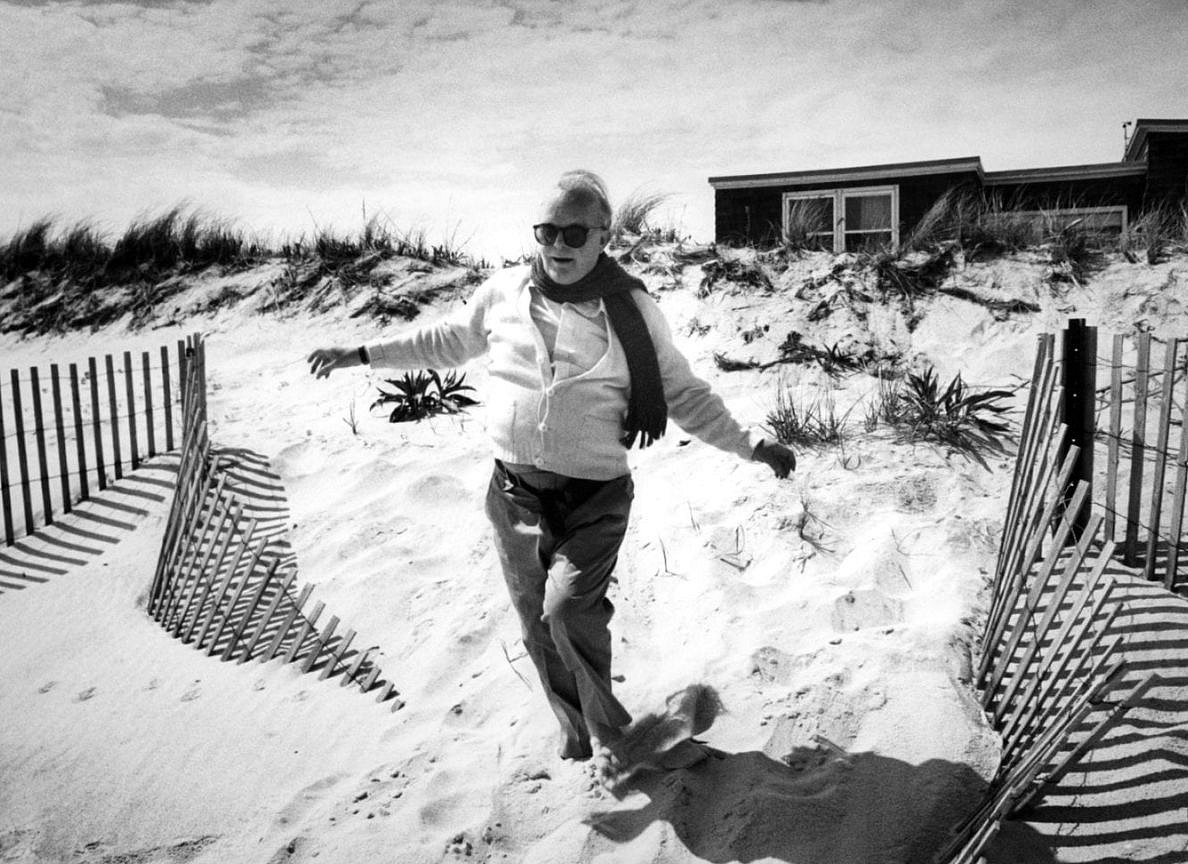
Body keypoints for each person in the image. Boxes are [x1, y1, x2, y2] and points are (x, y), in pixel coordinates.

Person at [308, 170, 796, 780]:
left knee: (566, 612)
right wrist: (361, 353)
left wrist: (751, 443)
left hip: (594, 495)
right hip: (512, 493)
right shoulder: (506, 292)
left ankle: (614, 737)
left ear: (603, 236)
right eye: (547, 231)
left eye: (574, 232)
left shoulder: (633, 309)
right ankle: (580, 738)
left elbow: (683, 392)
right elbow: (450, 341)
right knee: (535, 625)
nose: (558, 245)